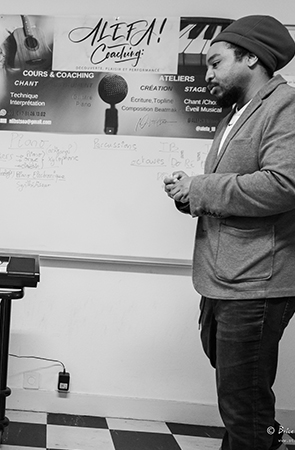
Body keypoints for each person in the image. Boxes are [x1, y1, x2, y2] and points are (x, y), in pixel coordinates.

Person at [164, 15, 295, 450]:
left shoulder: (285, 106)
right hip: (225, 279)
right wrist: (189, 196)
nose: (208, 75)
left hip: (256, 281)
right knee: (242, 400)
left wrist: (200, 187)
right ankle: (268, 436)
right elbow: (233, 189)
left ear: (251, 58)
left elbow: (284, 184)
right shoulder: (235, 115)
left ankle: (264, 438)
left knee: (243, 407)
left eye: (216, 63)